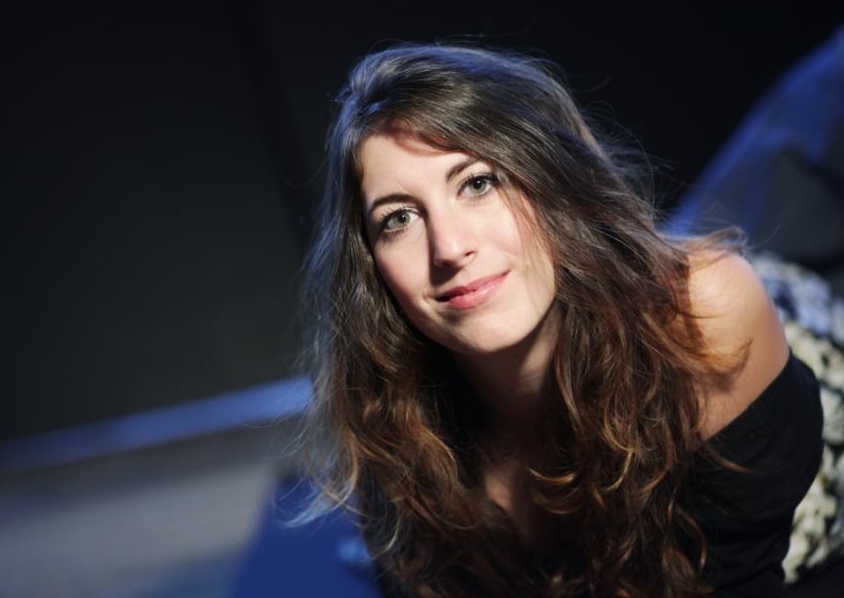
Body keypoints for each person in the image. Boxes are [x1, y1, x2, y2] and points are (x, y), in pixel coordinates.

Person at [295, 43, 825, 597]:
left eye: (478, 183)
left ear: (553, 180)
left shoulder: (707, 311)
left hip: (782, 312)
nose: (448, 248)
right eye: (400, 218)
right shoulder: (388, 420)